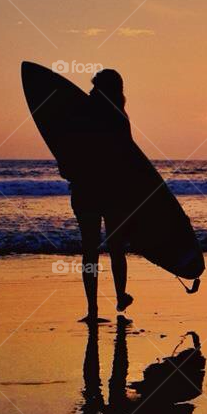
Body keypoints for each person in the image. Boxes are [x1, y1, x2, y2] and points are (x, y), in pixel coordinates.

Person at [68, 68, 134, 322]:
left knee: (90, 250)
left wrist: (70, 172)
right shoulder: (120, 118)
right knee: (116, 247)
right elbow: (129, 159)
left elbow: (70, 152)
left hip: (87, 191)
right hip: (113, 191)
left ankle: (93, 309)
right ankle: (120, 297)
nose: (92, 90)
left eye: (96, 86)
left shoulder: (83, 117)